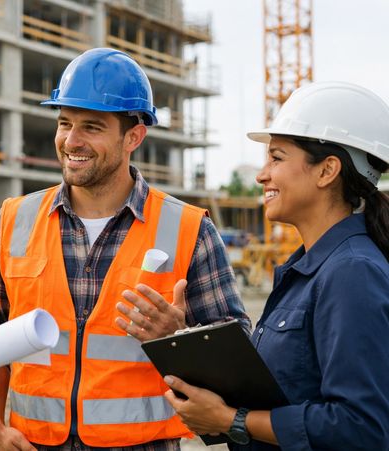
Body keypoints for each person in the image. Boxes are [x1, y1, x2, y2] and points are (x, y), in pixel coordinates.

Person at [0, 47, 250, 450]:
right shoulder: (13, 221)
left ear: (134, 136)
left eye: (92, 127)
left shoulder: (189, 230)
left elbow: (238, 364)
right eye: (65, 123)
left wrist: (178, 337)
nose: (70, 141)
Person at [162, 81, 389, 449]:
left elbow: (360, 428)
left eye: (277, 158)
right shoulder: (309, 270)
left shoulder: (351, 273)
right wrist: (182, 340)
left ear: (327, 170)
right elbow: (282, 391)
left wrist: (232, 420)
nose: (261, 174)